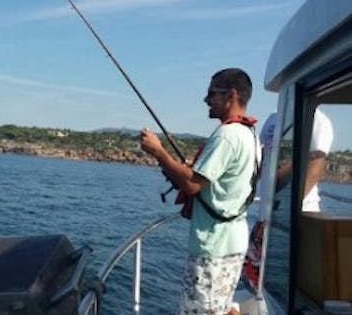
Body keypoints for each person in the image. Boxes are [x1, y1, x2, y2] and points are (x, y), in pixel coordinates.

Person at [140, 68, 258, 314]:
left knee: (201, 310)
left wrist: (159, 151)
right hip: (233, 241)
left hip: (214, 247)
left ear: (231, 96)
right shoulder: (249, 135)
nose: (206, 100)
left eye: (212, 93)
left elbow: (192, 184)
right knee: (221, 305)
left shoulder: (227, 136)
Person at [242, 108, 333, 291]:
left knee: (286, 283)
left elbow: (315, 165)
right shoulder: (272, 119)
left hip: (295, 216)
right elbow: (260, 160)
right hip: (265, 216)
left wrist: (288, 209)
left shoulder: (318, 120)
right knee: (253, 279)